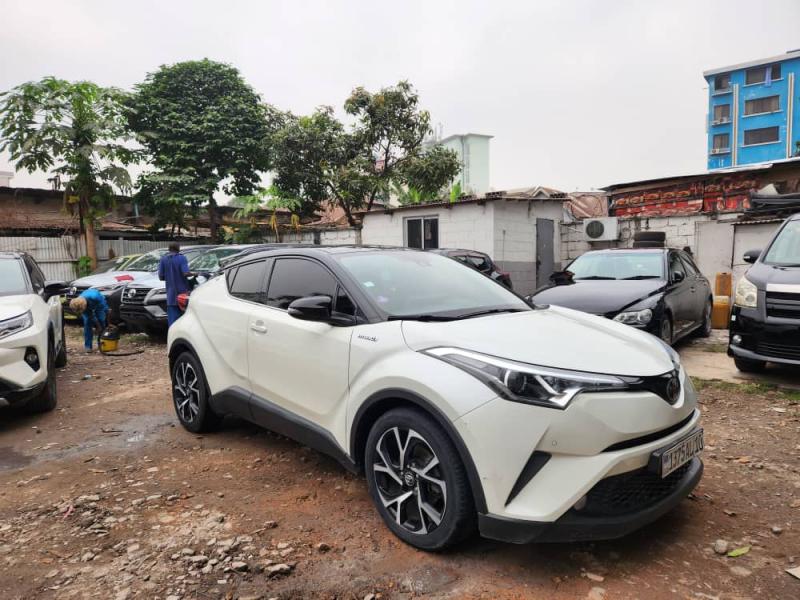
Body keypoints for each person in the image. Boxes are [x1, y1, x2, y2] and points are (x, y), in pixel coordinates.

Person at [158, 242, 191, 327]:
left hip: (171, 296)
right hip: (182, 294)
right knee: (184, 320)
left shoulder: (163, 259)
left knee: (172, 322)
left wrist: (170, 277)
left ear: (169, 249)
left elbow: (161, 277)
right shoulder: (182, 258)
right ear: (178, 248)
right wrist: (196, 274)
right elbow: (186, 273)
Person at [69, 288, 108, 353]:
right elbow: (91, 316)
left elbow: (104, 307)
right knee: (87, 322)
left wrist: (101, 325)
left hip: (98, 302)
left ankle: (103, 343)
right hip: (85, 302)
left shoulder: (95, 297)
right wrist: (98, 326)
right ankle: (88, 346)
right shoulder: (78, 303)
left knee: (101, 319)